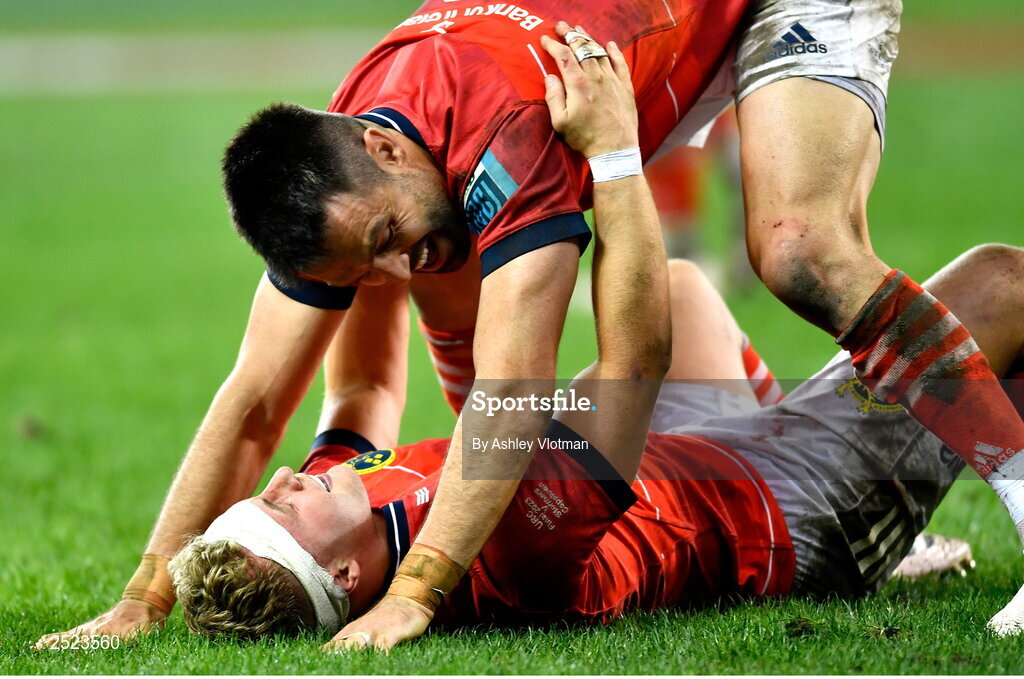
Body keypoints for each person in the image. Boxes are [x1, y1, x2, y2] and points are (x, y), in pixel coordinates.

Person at [36, 1, 1024, 649]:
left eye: (385, 234)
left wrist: (151, 590)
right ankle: (874, 506)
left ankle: (905, 455)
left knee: (772, 258)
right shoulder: (505, 547)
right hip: (776, 510)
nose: (286, 478)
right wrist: (615, 157)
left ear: (376, 139)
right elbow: (596, 372)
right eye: (283, 506)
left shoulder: (458, 129)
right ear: (345, 570)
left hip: (667, 448)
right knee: (990, 283)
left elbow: (339, 398)